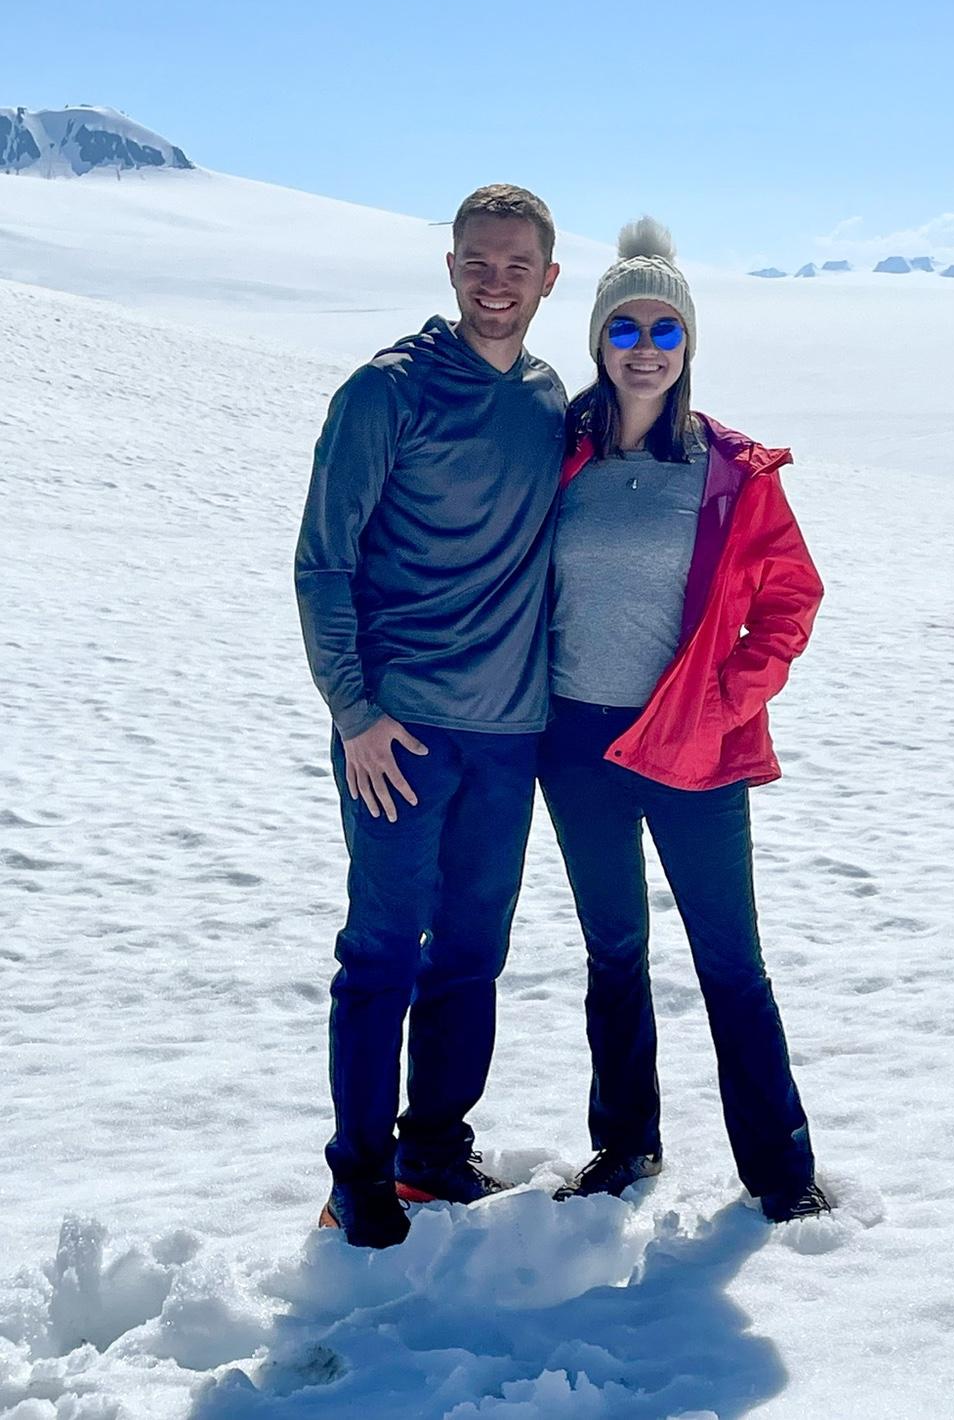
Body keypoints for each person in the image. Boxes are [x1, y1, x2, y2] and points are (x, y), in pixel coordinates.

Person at [540, 219, 829, 1222]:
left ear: (690, 344)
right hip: (576, 745)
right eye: (626, 329)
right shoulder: (558, 451)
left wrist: (730, 697)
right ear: (598, 342)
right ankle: (625, 1148)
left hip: (696, 753)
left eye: (666, 329)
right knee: (613, 954)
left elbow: (791, 599)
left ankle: (781, 1173)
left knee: (729, 961)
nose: (647, 348)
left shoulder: (730, 473)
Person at [294, 184, 565, 1248]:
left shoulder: (551, 400)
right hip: (396, 733)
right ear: (449, 267)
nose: (495, 285)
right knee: (381, 955)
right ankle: (356, 1177)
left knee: (470, 954)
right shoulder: (386, 392)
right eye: (477, 263)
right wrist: (353, 709)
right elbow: (323, 561)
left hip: (509, 734)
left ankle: (432, 1152)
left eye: (516, 268)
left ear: (549, 278)